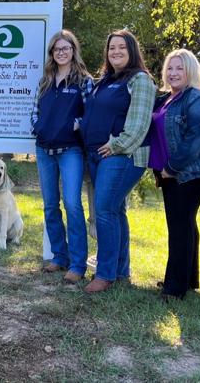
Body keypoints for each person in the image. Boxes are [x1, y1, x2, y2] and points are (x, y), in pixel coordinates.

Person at [80, 29, 156, 293]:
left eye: (122, 47)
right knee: (115, 211)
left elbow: (138, 124)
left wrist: (116, 145)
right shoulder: (105, 81)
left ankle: (105, 274)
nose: (116, 52)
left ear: (132, 50)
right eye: (112, 48)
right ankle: (121, 271)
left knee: (104, 210)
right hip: (99, 156)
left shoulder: (140, 80)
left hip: (123, 155)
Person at [147, 49, 200, 300]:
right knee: (185, 224)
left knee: (179, 226)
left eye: (179, 68)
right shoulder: (168, 98)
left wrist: (171, 168)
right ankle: (188, 279)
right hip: (169, 172)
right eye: (170, 68)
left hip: (189, 174)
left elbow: (194, 141)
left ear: (191, 71)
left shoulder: (196, 99)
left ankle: (174, 288)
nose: (173, 73)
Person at [30, 30, 93, 284]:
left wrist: (74, 125)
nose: (61, 52)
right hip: (44, 149)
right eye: (57, 49)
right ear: (52, 53)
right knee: (49, 204)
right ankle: (59, 256)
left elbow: (91, 114)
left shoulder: (83, 80)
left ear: (73, 50)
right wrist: (37, 126)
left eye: (66, 48)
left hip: (70, 150)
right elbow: (34, 110)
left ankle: (78, 264)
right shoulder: (45, 80)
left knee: (72, 203)